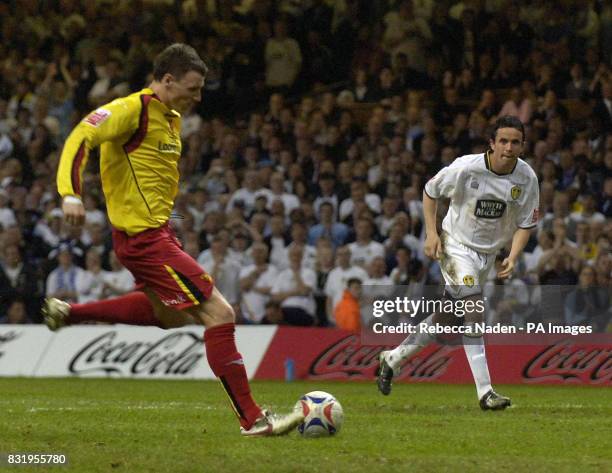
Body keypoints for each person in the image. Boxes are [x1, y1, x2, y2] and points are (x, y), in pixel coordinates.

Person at [43, 43, 303, 436]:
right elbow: (82, 135)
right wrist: (70, 193)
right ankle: (253, 419)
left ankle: (69, 313)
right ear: (167, 80)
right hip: (144, 239)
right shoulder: (131, 110)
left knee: (168, 314)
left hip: (157, 233)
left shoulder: (172, 118)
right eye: (193, 88)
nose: (198, 97)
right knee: (220, 314)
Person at [377, 116, 540, 410]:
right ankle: (485, 392)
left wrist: (513, 255)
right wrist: (431, 233)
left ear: (523, 145)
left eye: (515, 141)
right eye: (503, 141)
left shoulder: (527, 178)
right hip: (456, 247)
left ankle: (393, 358)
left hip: (487, 256)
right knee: (474, 307)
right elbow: (430, 191)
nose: (508, 147)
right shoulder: (466, 167)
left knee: (446, 319)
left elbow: (527, 222)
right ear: (491, 143)